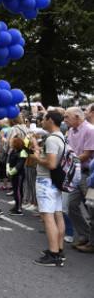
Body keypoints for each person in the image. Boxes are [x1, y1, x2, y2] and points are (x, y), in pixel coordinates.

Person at [30, 110, 66, 266]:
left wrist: (36, 158)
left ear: (50, 120)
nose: (41, 121)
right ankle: (58, 249)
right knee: (58, 215)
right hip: (55, 182)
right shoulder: (61, 137)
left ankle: (53, 255)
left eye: (43, 119)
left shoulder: (52, 139)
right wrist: (38, 150)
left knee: (48, 217)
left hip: (46, 181)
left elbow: (50, 164)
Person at [63, 107, 94, 253]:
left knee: (91, 209)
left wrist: (70, 162)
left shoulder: (89, 130)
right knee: (72, 205)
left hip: (87, 175)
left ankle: (91, 242)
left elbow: (87, 154)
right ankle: (85, 235)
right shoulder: (71, 131)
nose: (65, 120)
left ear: (76, 117)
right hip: (77, 172)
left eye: (67, 117)